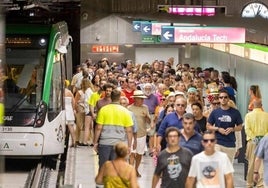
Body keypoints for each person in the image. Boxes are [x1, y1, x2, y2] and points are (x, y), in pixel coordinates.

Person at [93, 89, 133, 168]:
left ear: (111, 97)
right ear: (119, 98)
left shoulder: (103, 110)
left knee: (103, 167)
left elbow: (98, 128)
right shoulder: (125, 112)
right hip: (119, 144)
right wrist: (129, 146)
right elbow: (129, 130)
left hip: (105, 143)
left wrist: (95, 142)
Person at [206, 89, 243, 163]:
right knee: (217, 167)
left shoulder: (235, 112)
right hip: (218, 143)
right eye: (221, 97)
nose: (223, 99)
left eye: (225, 97)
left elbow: (240, 127)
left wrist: (233, 129)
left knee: (227, 170)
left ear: (228, 98)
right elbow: (208, 126)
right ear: (219, 99)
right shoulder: (215, 112)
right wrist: (217, 129)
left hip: (230, 144)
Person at [245, 99, 268, 187]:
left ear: (252, 106)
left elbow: (247, 129)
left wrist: (255, 139)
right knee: (263, 163)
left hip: (252, 142)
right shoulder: (267, 115)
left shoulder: (248, 116)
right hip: (265, 141)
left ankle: (249, 183)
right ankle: (261, 184)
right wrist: (263, 139)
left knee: (251, 163)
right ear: (261, 105)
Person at [128, 90, 151, 177]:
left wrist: (147, 117)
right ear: (135, 99)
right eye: (140, 99)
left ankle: (136, 169)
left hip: (142, 133)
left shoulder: (145, 108)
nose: (142, 100)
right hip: (132, 134)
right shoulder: (129, 108)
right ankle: (130, 171)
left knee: (139, 153)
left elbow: (149, 121)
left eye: (142, 99)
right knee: (132, 153)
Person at [64, 80, 76, 147]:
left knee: (63, 127)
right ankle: (74, 141)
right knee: (71, 126)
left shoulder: (60, 92)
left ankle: (63, 141)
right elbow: (73, 102)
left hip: (64, 110)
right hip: (69, 109)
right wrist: (73, 109)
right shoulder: (69, 92)